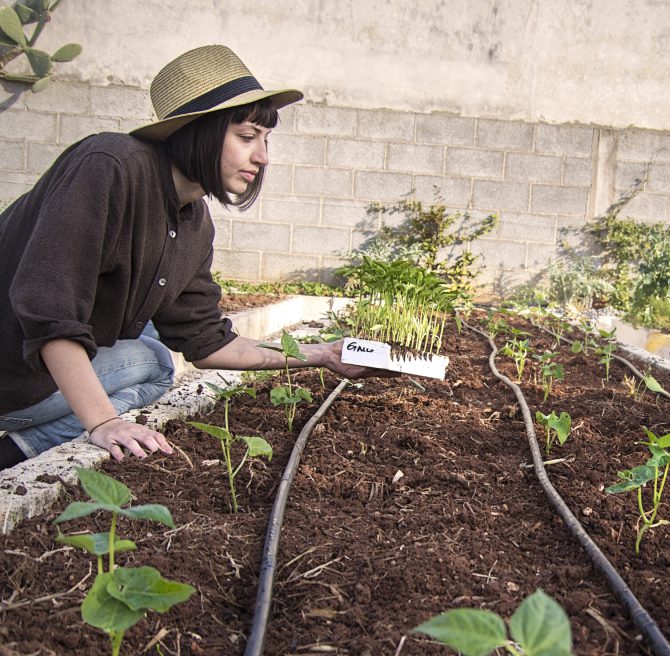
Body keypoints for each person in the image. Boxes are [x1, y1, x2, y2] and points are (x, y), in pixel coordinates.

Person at [0, 45, 384, 471]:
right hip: (11, 365)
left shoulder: (193, 221)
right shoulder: (108, 165)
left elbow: (207, 340)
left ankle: (12, 451)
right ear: (199, 131)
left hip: (23, 371)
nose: (263, 157)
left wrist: (325, 353)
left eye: (265, 140)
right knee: (152, 361)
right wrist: (104, 422)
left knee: (151, 349)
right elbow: (48, 311)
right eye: (246, 137)